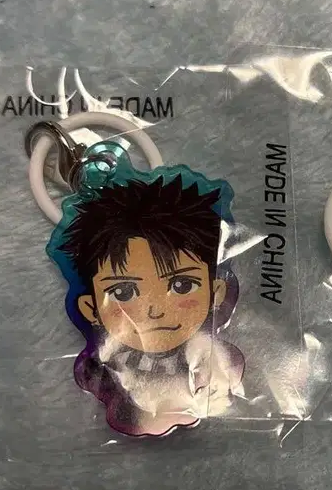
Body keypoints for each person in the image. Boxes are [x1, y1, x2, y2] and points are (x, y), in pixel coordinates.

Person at [50, 172, 244, 436]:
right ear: (89, 308)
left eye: (182, 285)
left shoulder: (214, 357)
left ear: (216, 293)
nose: (155, 310)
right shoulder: (103, 368)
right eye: (123, 291)